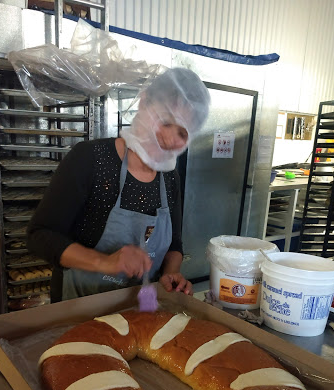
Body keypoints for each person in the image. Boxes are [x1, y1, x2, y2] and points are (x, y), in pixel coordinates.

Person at [27, 67, 210, 302]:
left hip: (141, 310)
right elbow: (39, 236)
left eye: (182, 133)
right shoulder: (91, 159)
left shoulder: (169, 177)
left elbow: (174, 243)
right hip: (79, 308)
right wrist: (105, 261)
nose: (170, 138)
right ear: (144, 103)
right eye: (166, 122)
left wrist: (171, 272)